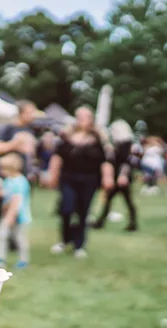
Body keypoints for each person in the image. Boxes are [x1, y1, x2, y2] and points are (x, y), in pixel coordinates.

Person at [45, 106, 114, 258]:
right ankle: (64, 239)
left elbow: (106, 160)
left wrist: (107, 177)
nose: (82, 119)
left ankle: (79, 244)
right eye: (79, 116)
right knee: (66, 208)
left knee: (83, 211)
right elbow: (57, 157)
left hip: (89, 179)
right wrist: (52, 175)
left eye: (85, 116)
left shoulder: (98, 139)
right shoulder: (67, 137)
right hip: (69, 177)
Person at [0, 100, 36, 249]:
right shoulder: (7, 129)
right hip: (4, 175)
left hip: (21, 175)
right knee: (0, 208)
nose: (32, 115)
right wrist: (15, 143)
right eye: (29, 112)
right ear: (21, 113)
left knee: (19, 207)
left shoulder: (29, 129)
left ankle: (13, 241)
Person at [0, 153, 31, 269]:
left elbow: (17, 200)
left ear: (11, 168)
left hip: (18, 216)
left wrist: (10, 217)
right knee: (1, 235)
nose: (0, 171)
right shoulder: (8, 180)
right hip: (7, 214)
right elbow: (6, 195)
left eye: (2, 168)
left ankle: (23, 260)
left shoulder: (20, 182)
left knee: (19, 238)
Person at [91, 120, 138, 232]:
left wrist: (123, 175)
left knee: (123, 200)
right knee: (116, 200)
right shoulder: (119, 143)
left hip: (121, 176)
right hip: (117, 175)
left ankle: (101, 222)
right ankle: (131, 223)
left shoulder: (125, 144)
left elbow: (126, 161)